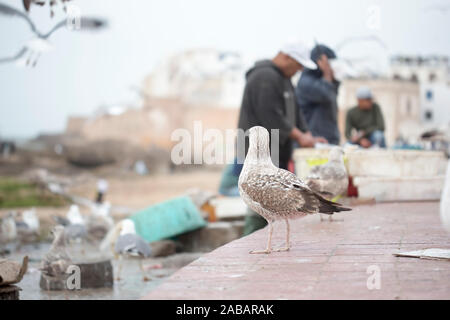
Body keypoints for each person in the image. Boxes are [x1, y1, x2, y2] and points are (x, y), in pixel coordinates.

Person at [232, 40, 327, 235]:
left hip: (276, 150)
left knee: (272, 202)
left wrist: (306, 133)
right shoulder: (263, 77)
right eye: (298, 65)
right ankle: (249, 242)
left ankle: (263, 241)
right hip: (256, 153)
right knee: (256, 200)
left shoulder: (283, 79)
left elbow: (295, 112)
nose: (299, 70)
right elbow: (271, 116)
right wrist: (300, 136)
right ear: (286, 57)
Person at [295, 44, 341, 145]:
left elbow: (333, 96)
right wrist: (327, 73)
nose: (330, 66)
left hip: (328, 138)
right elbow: (326, 94)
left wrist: (332, 79)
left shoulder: (322, 80)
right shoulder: (306, 82)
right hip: (316, 139)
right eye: (328, 62)